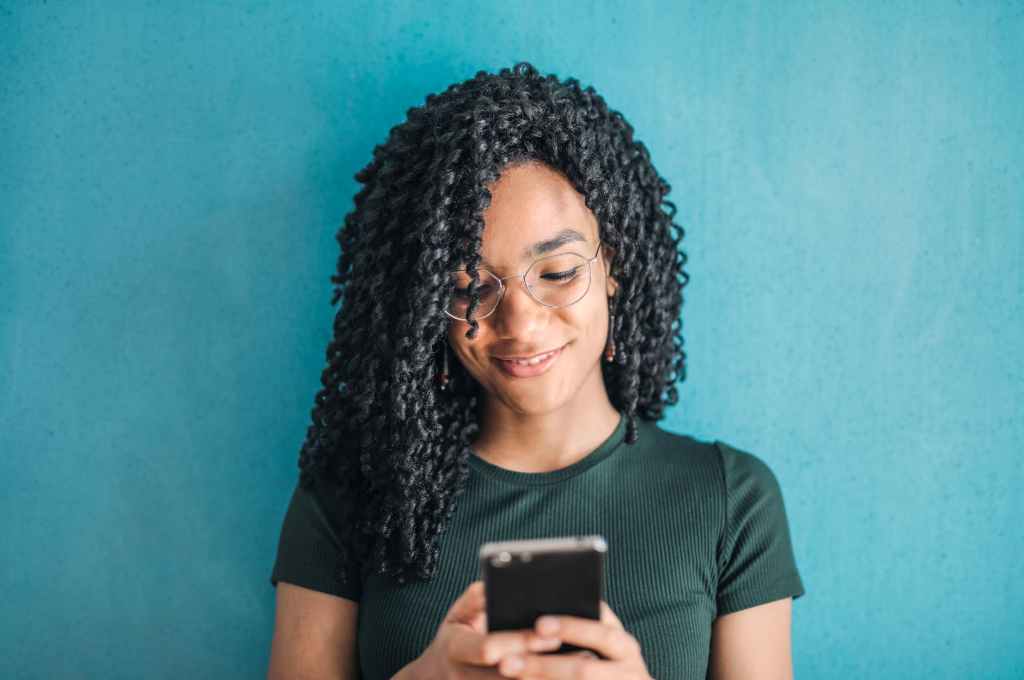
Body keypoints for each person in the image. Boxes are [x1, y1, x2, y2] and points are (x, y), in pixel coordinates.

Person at [267, 61, 805, 680]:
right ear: (425, 307)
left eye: (557, 273)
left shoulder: (730, 499)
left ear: (614, 270)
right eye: (469, 288)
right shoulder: (347, 496)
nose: (520, 325)